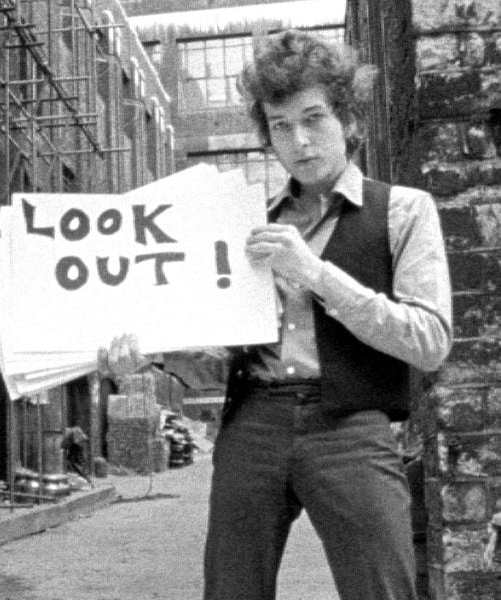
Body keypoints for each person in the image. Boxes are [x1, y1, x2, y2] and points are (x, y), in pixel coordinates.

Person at [103, 30, 452, 600]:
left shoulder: (404, 211)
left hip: (352, 428)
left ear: (348, 119)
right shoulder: (248, 226)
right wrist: (150, 353)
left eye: (314, 118)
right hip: (253, 423)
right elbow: (222, 356)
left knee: (383, 591)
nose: (301, 140)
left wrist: (314, 272)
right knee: (231, 590)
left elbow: (429, 340)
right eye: (281, 125)